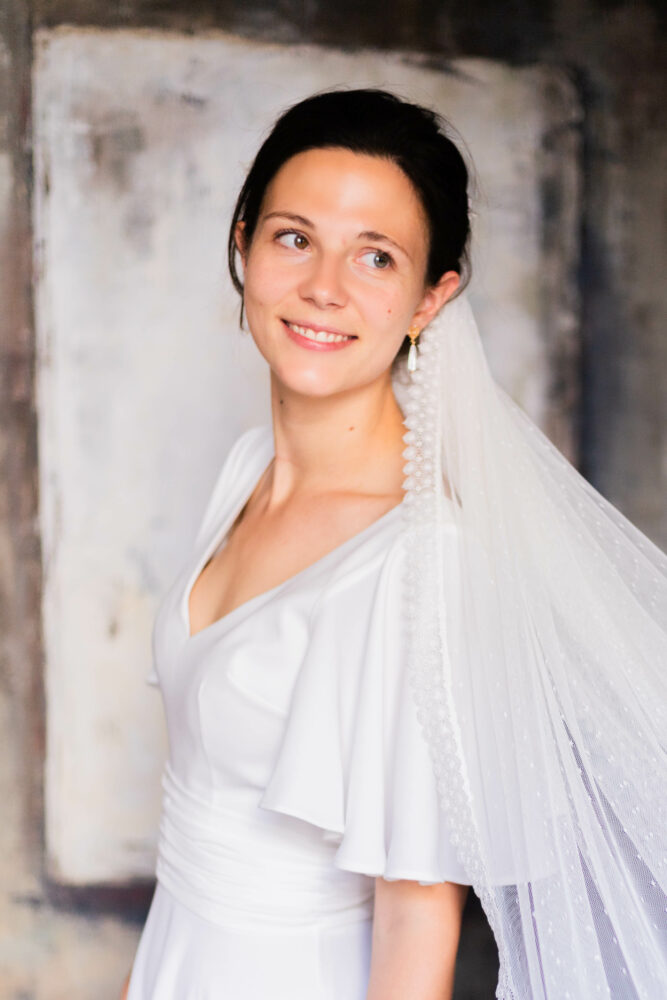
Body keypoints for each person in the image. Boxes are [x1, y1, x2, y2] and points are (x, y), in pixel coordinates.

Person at [121, 89, 667, 1000]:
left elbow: (416, 926)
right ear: (245, 247)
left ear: (430, 297)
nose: (324, 286)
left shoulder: (422, 562)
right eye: (294, 238)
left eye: (375, 256)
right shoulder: (246, 468)